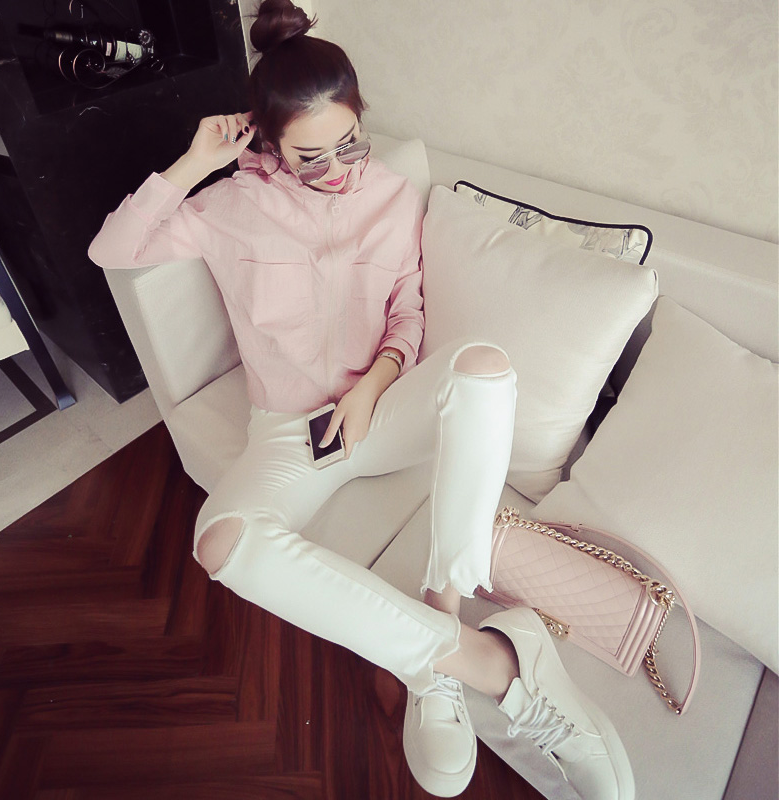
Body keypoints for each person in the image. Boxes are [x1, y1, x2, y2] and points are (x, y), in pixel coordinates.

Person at [88, 2, 633, 798]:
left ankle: (442, 610)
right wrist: (192, 162)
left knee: (484, 367)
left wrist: (377, 382)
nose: (340, 168)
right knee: (223, 542)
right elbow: (111, 249)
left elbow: (409, 312)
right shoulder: (225, 209)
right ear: (268, 142)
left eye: (350, 142)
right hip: (290, 432)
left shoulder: (392, 196)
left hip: (382, 410)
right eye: (312, 157)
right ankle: (475, 662)